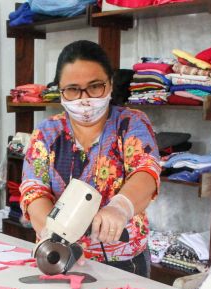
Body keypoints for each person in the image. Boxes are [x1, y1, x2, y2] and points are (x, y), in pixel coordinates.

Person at [20, 40, 161, 277]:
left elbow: (146, 171)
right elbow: (34, 190)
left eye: (95, 86)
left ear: (110, 84)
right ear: (60, 90)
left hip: (124, 262)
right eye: (73, 89)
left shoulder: (130, 124)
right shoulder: (47, 133)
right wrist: (54, 237)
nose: (84, 99)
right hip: (58, 258)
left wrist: (120, 207)